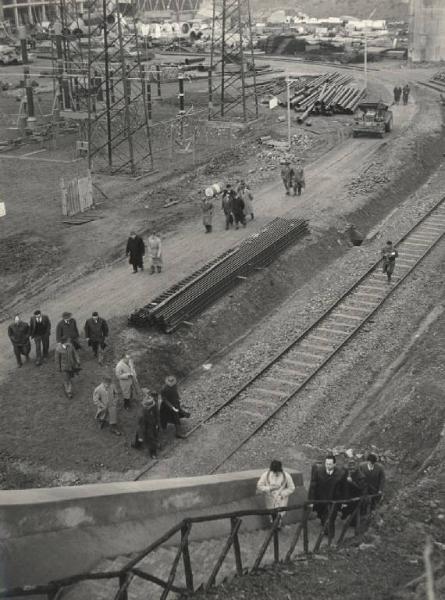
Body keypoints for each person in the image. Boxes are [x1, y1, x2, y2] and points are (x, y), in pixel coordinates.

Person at [308, 454, 347, 539]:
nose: (328, 466)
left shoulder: (341, 473)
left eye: (330, 464)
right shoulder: (318, 471)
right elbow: (313, 487)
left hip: (334, 500)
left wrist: (344, 501)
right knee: (323, 515)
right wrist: (311, 501)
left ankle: (330, 538)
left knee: (331, 517)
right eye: (326, 464)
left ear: (334, 464)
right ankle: (326, 529)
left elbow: (344, 488)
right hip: (321, 498)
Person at [256, 460, 295, 528]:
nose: (276, 473)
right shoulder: (265, 475)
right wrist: (269, 488)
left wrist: (282, 494)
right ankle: (274, 527)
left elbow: (292, 488)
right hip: (270, 498)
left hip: (281, 499)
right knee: (271, 513)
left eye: (277, 471)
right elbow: (259, 486)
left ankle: (278, 526)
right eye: (274, 471)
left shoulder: (286, 476)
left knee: (280, 513)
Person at [132, 388, 160, 458]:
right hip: (145, 426)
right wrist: (141, 436)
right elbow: (141, 426)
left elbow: (157, 415)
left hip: (152, 424)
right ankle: (139, 446)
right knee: (145, 437)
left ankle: (153, 450)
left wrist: (157, 424)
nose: (151, 407)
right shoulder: (142, 414)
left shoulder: (154, 406)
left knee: (153, 437)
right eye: (149, 407)